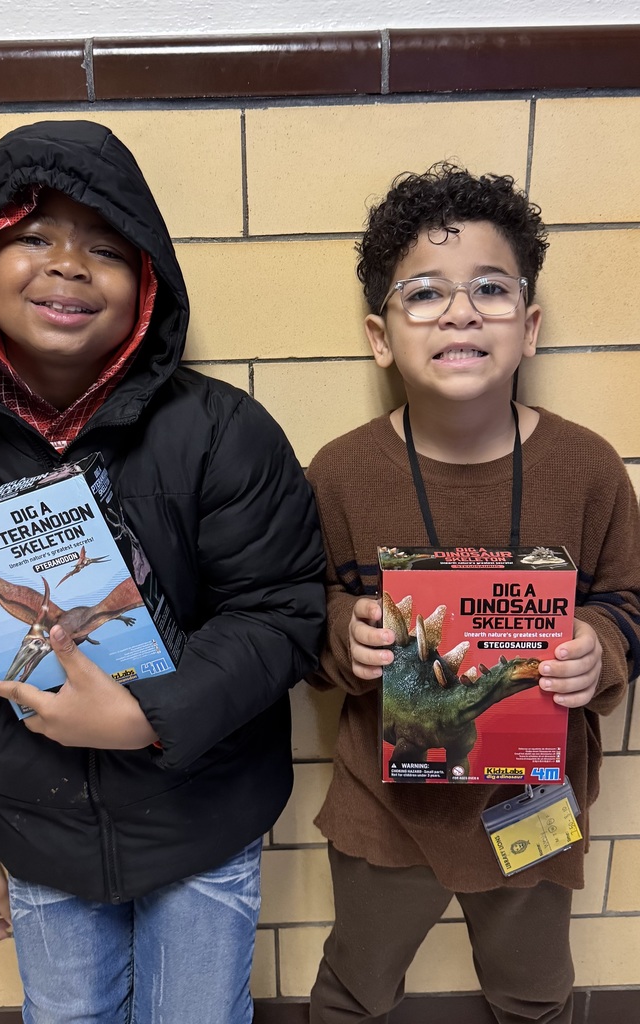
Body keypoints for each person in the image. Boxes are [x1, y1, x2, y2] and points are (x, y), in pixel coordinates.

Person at [0, 120, 325, 1024]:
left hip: (203, 817)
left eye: (107, 248)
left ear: (148, 284)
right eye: (34, 237)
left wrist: (150, 715)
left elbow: (279, 612)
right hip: (37, 837)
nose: (69, 266)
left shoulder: (223, 433)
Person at [306, 163, 640, 1024]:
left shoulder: (589, 469)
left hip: (532, 802)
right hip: (386, 806)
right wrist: (345, 633)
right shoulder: (340, 473)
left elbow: (630, 599)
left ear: (529, 328)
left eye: (491, 288)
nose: (460, 311)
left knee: (534, 993)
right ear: (381, 337)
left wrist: (600, 648)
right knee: (354, 988)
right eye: (424, 294)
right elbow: (303, 608)